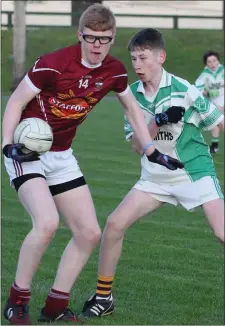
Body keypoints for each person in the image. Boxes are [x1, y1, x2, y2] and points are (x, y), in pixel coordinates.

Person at [2, 5, 185, 325]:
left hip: (62, 156)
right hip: (28, 152)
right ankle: (17, 302)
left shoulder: (113, 71)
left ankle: (55, 307)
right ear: (80, 35)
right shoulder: (54, 64)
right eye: (91, 38)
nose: (97, 45)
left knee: (88, 233)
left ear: (112, 37)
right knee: (46, 223)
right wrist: (7, 146)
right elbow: (16, 101)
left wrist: (152, 150)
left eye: (105, 39)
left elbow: (130, 110)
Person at [80, 28, 224, 320]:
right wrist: (159, 120)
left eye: (143, 58)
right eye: (133, 58)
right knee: (115, 224)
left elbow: (216, 120)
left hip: (194, 172)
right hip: (155, 176)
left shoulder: (185, 89)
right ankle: (104, 296)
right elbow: (137, 145)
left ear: (161, 57)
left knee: (222, 233)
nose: (137, 65)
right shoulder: (131, 94)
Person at [195, 50, 224, 154]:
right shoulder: (205, 74)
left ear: (218, 61)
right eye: (209, 62)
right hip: (214, 103)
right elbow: (197, 88)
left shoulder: (223, 71)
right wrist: (208, 93)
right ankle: (215, 145)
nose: (213, 64)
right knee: (215, 123)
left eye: (214, 60)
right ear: (206, 64)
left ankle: (214, 145)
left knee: (219, 122)